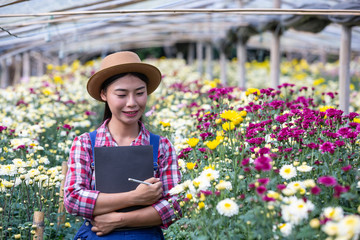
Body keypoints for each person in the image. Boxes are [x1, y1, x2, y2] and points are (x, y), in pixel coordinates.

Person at [64, 51, 181, 239]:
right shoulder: (85, 143)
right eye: (121, 94)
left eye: (140, 93)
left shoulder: (161, 146)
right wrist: (135, 197)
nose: (132, 103)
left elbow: (175, 205)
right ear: (104, 94)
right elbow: (73, 199)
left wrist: (119, 220)